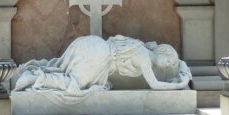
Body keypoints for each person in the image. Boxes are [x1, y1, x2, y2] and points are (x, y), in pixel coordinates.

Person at [13, 35, 191, 95]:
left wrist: (182, 67)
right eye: (170, 61)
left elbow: (180, 62)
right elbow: (154, 85)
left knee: (62, 66)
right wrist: (181, 85)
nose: (169, 65)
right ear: (164, 52)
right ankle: (36, 78)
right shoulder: (145, 58)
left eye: (171, 64)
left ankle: (34, 73)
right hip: (100, 55)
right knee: (73, 86)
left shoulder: (142, 46)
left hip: (95, 45)